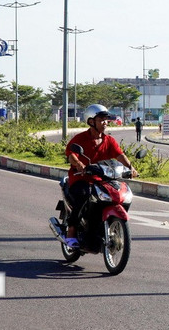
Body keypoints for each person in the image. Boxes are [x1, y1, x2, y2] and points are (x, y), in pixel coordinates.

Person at [63, 104, 138, 248]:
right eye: (101, 119)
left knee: (119, 194)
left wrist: (131, 167)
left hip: (101, 179)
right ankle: (71, 231)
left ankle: (104, 226)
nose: (105, 122)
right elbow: (71, 155)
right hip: (81, 178)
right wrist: (79, 164)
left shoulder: (109, 140)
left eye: (106, 119)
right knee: (83, 195)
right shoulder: (81, 138)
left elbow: (119, 155)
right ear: (91, 121)